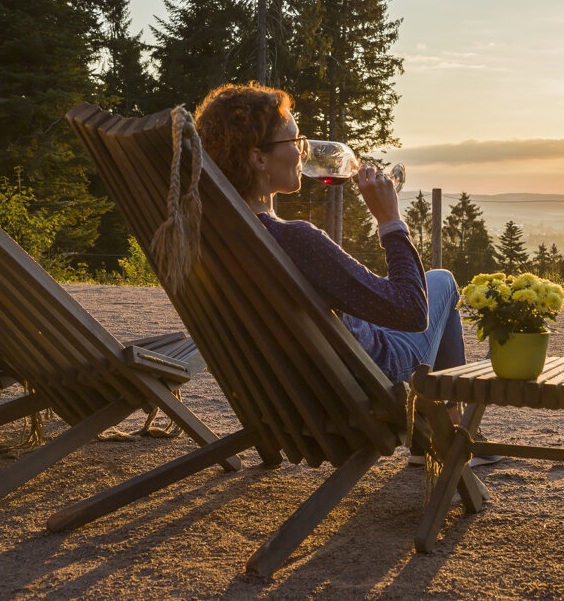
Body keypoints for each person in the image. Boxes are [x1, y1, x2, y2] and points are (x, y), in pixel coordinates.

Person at [194, 82, 499, 466]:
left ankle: (441, 434)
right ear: (258, 158)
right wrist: (390, 221)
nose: (304, 150)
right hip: (368, 378)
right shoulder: (294, 240)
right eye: (295, 140)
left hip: (287, 393)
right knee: (443, 282)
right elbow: (411, 311)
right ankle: (447, 436)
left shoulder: (214, 238)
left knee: (427, 285)